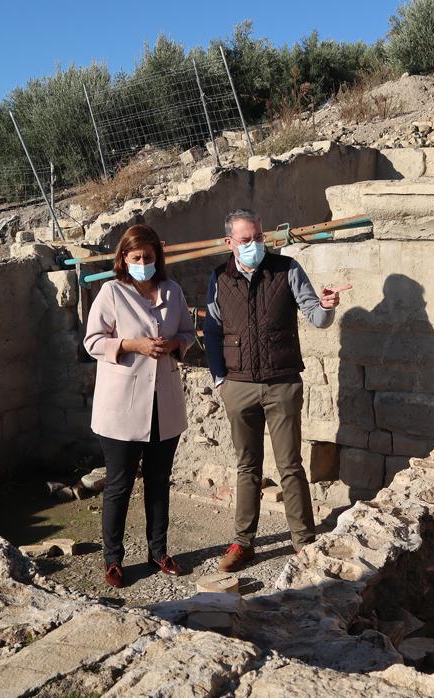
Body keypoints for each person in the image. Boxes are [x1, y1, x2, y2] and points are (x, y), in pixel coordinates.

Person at [203, 208, 351, 572]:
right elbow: (212, 332)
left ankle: (304, 543)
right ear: (229, 243)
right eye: (245, 239)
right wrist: (220, 380)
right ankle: (243, 542)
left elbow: (315, 316)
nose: (254, 244)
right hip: (238, 386)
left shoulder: (286, 270)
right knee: (246, 466)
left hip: (282, 383)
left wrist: (328, 305)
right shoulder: (218, 278)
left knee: (290, 465)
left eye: (258, 237)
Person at [84, 224, 196, 588]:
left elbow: (188, 333)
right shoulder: (112, 292)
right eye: (136, 258)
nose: (144, 263)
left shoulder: (173, 291)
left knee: (159, 482)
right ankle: (113, 559)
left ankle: (158, 551)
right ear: (124, 259)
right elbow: (93, 341)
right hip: (122, 407)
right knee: (119, 484)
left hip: (163, 403)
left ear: (157, 258)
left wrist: (174, 345)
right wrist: (132, 345)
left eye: (149, 257)